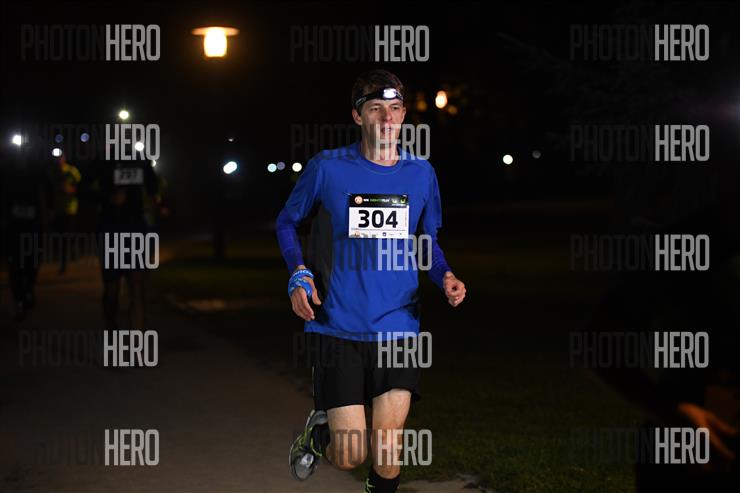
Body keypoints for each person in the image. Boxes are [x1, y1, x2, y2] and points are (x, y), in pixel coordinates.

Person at [277, 69, 466, 493]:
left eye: (395, 108)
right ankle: (319, 434)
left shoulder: (421, 174)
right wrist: (298, 273)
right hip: (337, 325)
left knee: (387, 445)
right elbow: (287, 222)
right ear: (357, 116)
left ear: (404, 115)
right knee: (350, 454)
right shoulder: (327, 167)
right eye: (376, 108)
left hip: (398, 324)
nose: (387, 118)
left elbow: (426, 242)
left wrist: (445, 275)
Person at [88, 156, 159, 330]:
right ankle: (111, 325)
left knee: (136, 286)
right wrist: (108, 198)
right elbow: (83, 189)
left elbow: (154, 188)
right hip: (110, 230)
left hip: (136, 230)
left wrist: (153, 201)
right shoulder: (102, 162)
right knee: (112, 289)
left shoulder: (141, 161)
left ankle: (137, 337)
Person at [1, 140, 46, 321]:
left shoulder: (37, 172)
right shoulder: (6, 172)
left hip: (33, 227)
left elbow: (46, 193)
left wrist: (46, 216)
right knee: (15, 265)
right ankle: (19, 299)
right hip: (13, 228)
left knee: (32, 262)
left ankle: (28, 290)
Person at [48, 150, 81, 274]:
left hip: (70, 209)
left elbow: (81, 187)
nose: (58, 160)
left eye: (60, 157)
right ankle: (62, 261)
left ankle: (70, 253)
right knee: (58, 237)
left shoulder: (72, 171)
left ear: (64, 157)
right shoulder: (51, 172)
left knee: (69, 235)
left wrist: (70, 190)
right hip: (57, 210)